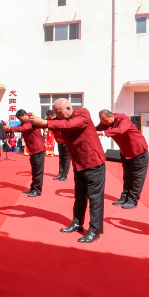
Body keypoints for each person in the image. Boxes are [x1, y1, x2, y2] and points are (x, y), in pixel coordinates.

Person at [30, 99, 105, 243]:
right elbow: (58, 126)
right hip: (79, 164)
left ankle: (95, 230)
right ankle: (77, 223)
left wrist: (46, 123)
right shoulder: (61, 121)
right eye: (55, 113)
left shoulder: (82, 114)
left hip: (93, 162)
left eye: (59, 113)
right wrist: (35, 121)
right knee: (79, 196)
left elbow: (70, 124)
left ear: (69, 108)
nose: (57, 116)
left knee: (95, 198)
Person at [96, 110, 149, 209]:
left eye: (106, 121)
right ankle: (124, 197)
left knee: (137, 177)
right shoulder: (105, 123)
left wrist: (102, 133)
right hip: (125, 152)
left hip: (138, 151)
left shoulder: (123, 119)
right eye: (102, 121)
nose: (104, 123)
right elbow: (94, 129)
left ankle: (133, 200)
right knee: (127, 176)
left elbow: (120, 130)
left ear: (111, 116)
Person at [5, 109, 45, 197]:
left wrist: (10, 128)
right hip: (33, 149)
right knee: (34, 170)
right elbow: (19, 127)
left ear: (25, 115)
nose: (20, 120)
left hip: (38, 149)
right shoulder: (24, 122)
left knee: (38, 171)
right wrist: (8, 129)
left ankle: (37, 190)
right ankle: (33, 187)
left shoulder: (31, 120)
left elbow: (23, 128)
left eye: (20, 118)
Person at [46, 110, 70, 181]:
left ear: (54, 116)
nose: (49, 119)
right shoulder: (51, 122)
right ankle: (60, 174)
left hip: (66, 142)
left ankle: (64, 175)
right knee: (61, 158)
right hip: (59, 142)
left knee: (67, 159)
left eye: (49, 117)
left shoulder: (60, 120)